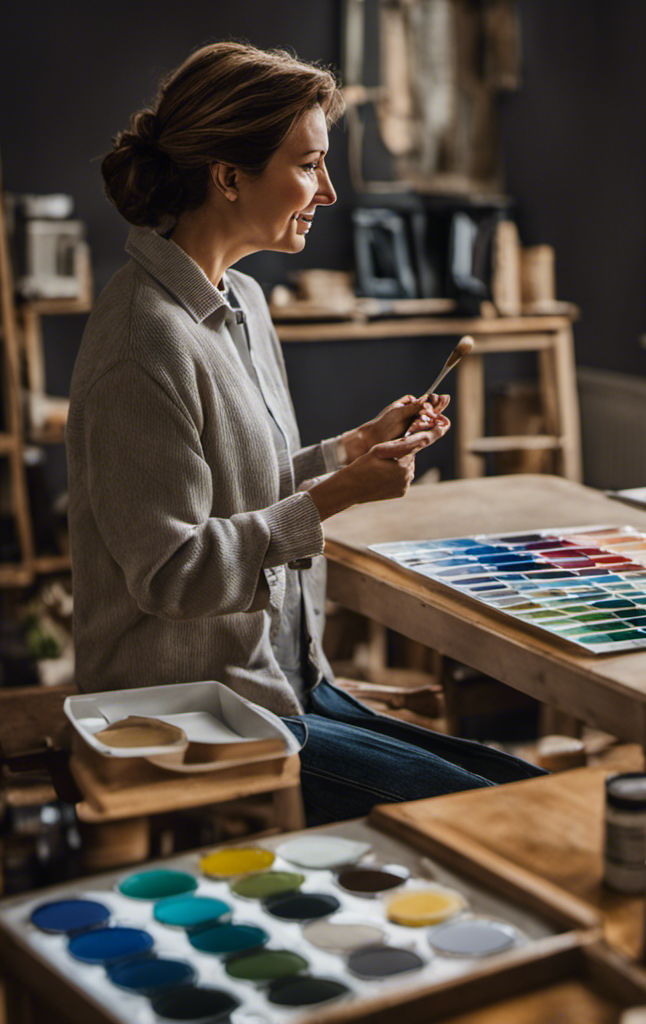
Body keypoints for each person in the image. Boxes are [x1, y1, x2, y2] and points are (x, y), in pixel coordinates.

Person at [67, 41, 544, 825]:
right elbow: (173, 574)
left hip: (286, 680)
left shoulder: (245, 301)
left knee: (527, 792)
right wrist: (332, 498)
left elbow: (239, 484)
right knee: (504, 819)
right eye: (308, 164)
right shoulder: (141, 345)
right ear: (228, 175)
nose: (327, 190)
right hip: (193, 713)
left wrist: (347, 452)